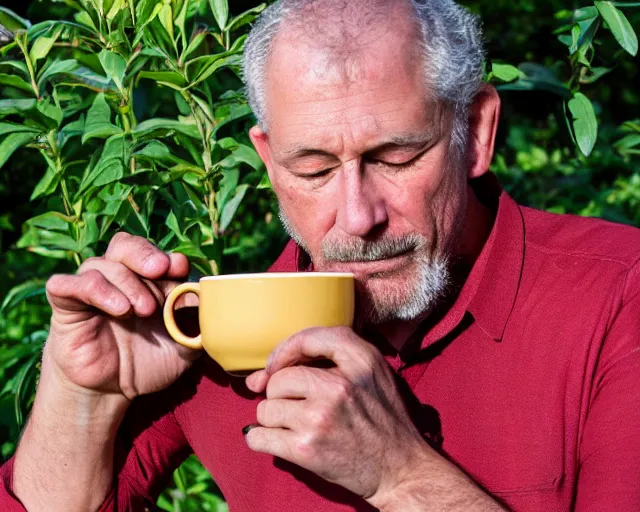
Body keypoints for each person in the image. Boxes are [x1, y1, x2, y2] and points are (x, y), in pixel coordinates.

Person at [2, 0, 640, 510]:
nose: (357, 218)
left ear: (473, 132)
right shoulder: (217, 331)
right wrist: (81, 395)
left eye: (395, 158)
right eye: (312, 169)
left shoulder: (617, 298)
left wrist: (402, 478)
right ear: (268, 162)